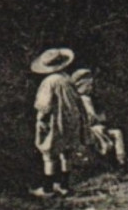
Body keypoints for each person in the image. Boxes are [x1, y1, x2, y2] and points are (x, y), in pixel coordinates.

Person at [30, 48, 88, 198]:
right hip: (71, 120)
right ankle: (64, 185)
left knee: (49, 154)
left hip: (55, 121)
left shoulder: (49, 82)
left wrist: (40, 119)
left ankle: (48, 189)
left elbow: (44, 105)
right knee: (65, 153)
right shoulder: (67, 79)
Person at [72, 68, 127, 169]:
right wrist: (100, 118)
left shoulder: (79, 99)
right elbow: (91, 117)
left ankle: (120, 162)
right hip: (88, 129)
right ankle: (121, 162)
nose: (91, 88)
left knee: (114, 133)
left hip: (87, 128)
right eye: (89, 85)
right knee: (115, 133)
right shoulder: (84, 99)